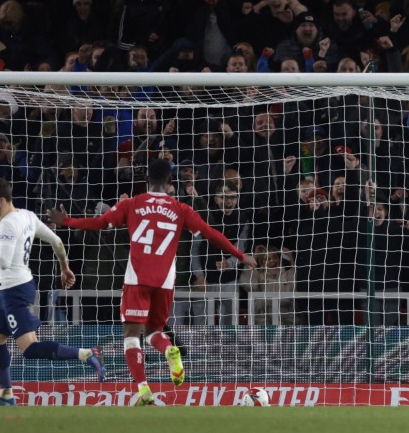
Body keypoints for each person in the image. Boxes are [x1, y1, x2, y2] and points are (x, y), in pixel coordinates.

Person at [48, 159, 256, 406]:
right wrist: (240, 255)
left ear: (146, 179)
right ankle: (169, 349)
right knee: (154, 330)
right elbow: (211, 234)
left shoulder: (132, 204)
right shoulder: (182, 209)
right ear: (170, 182)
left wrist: (67, 221)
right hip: (166, 281)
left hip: (138, 277)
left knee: (131, 334)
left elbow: (99, 223)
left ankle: (143, 389)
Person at [0, 178, 104, 406]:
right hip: (11, 288)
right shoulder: (27, 215)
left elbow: (4, 262)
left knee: (29, 348)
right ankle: (7, 395)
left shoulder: (7, 224)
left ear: (2, 200)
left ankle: (87, 353)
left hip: (14, 290)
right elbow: (56, 241)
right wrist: (64, 267)